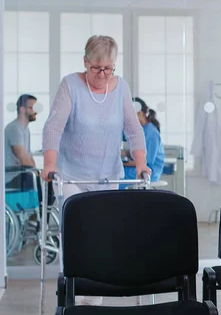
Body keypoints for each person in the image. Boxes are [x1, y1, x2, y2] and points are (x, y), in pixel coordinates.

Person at [41, 35, 150, 305]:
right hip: (71, 174)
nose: (102, 74)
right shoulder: (70, 85)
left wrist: (141, 163)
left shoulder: (121, 87)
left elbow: (133, 128)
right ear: (85, 62)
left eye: (108, 68)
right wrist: (50, 165)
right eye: (95, 68)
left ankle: (94, 300)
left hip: (107, 173)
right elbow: (53, 127)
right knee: (77, 233)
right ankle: (72, 295)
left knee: (103, 234)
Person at [121, 97, 165, 189]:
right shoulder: (141, 130)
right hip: (137, 168)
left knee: (116, 176)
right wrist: (125, 152)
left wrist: (122, 163)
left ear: (140, 114)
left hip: (147, 172)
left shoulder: (151, 132)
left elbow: (145, 161)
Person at [5, 94, 38, 169]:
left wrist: (37, 174)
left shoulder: (26, 129)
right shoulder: (14, 128)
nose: (36, 111)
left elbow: (29, 156)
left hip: (21, 175)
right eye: (33, 108)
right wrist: (36, 174)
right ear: (22, 109)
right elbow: (23, 159)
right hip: (13, 176)